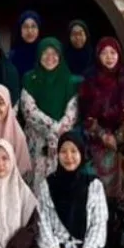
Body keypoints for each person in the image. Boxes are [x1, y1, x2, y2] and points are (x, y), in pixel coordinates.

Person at [79, 36, 124, 248]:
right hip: (97, 149)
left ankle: (122, 242)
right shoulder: (90, 79)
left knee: (123, 195)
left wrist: (119, 137)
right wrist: (103, 135)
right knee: (99, 195)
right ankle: (99, 242)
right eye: (104, 53)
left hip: (122, 147)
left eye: (113, 53)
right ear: (98, 56)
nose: (109, 57)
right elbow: (86, 115)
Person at [33, 132, 112, 248]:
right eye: (63, 152)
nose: (69, 157)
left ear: (81, 154)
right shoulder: (47, 185)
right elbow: (43, 222)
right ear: (57, 155)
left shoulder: (93, 185)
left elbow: (99, 222)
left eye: (73, 151)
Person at [21, 38, 80, 179]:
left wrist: (58, 132)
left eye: (54, 54)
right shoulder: (30, 78)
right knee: (37, 181)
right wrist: (53, 130)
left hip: (62, 141)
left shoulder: (69, 81)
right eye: (45, 53)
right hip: (37, 139)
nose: (50, 58)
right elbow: (29, 111)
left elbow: (72, 112)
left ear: (60, 56)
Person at [9, 11, 43, 77]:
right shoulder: (12, 56)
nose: (29, 31)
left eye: (33, 26)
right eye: (25, 26)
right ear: (20, 30)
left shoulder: (44, 53)